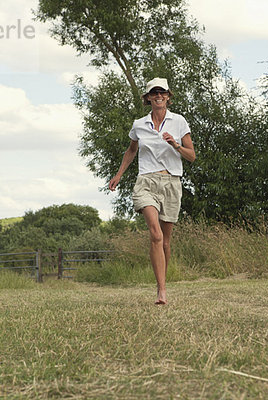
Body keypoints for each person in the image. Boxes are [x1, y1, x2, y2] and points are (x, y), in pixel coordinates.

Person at [108, 78, 196, 305]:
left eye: (162, 92)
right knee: (155, 234)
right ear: (147, 98)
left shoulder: (179, 122)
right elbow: (131, 150)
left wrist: (175, 144)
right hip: (146, 182)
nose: (158, 95)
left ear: (168, 96)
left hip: (171, 182)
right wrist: (118, 175)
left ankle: (162, 285)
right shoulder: (139, 124)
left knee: (165, 241)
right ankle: (161, 292)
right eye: (153, 92)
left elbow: (191, 156)